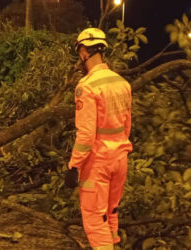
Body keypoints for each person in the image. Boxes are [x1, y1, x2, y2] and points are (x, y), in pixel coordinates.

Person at [65, 28, 132, 249]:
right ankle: (114, 243)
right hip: (120, 158)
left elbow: (85, 135)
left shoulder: (87, 86)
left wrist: (74, 166)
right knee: (111, 211)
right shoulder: (122, 83)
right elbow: (127, 125)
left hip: (98, 162)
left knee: (95, 218)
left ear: (84, 52)